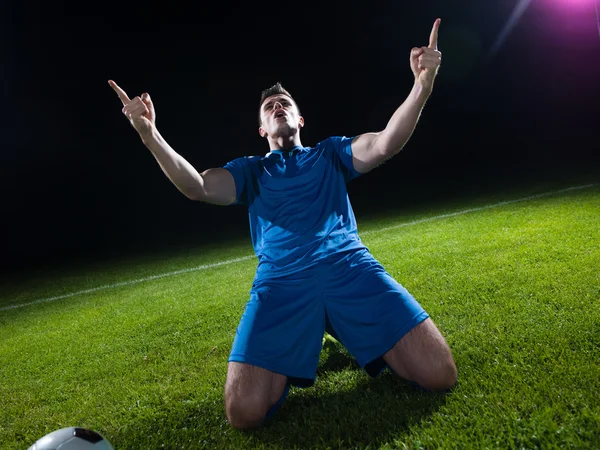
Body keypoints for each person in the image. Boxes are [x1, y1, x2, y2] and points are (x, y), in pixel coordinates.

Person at [109, 18, 456, 431]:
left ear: (300, 120)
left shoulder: (330, 154)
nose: (278, 107)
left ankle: (337, 323)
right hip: (281, 284)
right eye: (269, 107)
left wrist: (422, 86)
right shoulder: (251, 171)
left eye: (285, 104)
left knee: (440, 374)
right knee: (243, 412)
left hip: (350, 269)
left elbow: (384, 143)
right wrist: (150, 135)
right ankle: (309, 331)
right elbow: (198, 185)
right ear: (262, 129)